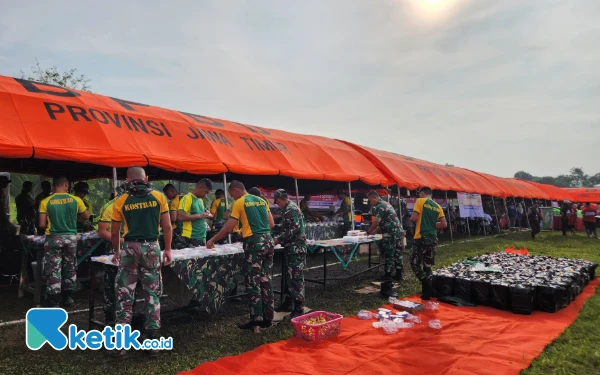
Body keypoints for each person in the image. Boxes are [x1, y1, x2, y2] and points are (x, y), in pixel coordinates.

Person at [111, 166, 172, 357]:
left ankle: (122, 346)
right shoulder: (159, 197)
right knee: (152, 293)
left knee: (124, 294)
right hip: (152, 247)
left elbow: (115, 232)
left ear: (127, 180)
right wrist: (168, 249)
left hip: (129, 247)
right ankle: (153, 342)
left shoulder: (120, 200)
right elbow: (167, 226)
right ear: (146, 178)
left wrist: (116, 251)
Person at [207, 180, 275, 332]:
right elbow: (271, 224)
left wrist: (212, 239)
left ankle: (256, 322)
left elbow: (228, 228)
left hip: (254, 244)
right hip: (268, 242)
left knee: (253, 282)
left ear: (236, 190)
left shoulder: (240, 202)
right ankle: (268, 319)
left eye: (232, 194)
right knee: (266, 280)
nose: (232, 197)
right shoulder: (261, 200)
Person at [39, 176, 89, 307]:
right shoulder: (76, 200)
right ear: (66, 185)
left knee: (54, 268)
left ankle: (54, 300)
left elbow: (42, 224)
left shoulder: (45, 201)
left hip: (54, 238)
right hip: (71, 238)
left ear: (53, 186)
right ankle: (68, 298)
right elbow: (86, 216)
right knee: (70, 266)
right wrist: (74, 220)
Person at [272, 189, 307, 318]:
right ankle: (288, 303)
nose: (277, 205)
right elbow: (287, 225)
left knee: (295, 277)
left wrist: (278, 239)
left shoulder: (291, 209)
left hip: (296, 249)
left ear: (280, 199)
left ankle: (299, 307)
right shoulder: (288, 209)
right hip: (291, 249)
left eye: (276, 202)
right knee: (289, 277)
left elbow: (294, 228)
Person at [410, 187, 447, 300]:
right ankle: (427, 293)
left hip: (421, 237)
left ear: (422, 193)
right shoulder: (438, 206)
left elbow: (413, 218)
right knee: (427, 265)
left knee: (414, 263)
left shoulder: (420, 201)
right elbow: (444, 224)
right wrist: (431, 224)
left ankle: (425, 282)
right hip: (433, 239)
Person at [366, 191, 404, 298]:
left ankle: (387, 276)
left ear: (375, 197)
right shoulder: (386, 204)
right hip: (397, 232)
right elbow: (381, 223)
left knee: (389, 253)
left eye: (370, 200)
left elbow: (377, 222)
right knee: (397, 253)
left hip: (390, 233)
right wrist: (372, 233)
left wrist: (368, 232)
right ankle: (399, 274)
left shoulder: (380, 206)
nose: (370, 202)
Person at [96, 187, 125, 324]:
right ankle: (110, 316)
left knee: (128, 281)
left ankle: (126, 314)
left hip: (132, 247)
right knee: (111, 283)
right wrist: (120, 241)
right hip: (113, 247)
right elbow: (102, 231)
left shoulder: (134, 203)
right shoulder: (110, 207)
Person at [177, 179, 213, 247]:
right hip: (191, 237)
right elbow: (180, 217)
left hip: (202, 237)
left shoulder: (200, 200)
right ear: (200, 187)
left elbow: (202, 214)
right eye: (206, 192)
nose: (206, 195)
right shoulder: (187, 198)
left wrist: (207, 214)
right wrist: (199, 216)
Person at [163, 184, 185, 249]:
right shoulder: (186, 197)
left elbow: (173, 218)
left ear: (172, 191)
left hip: (177, 229)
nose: (167, 197)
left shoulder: (173, 201)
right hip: (188, 229)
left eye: (167, 194)